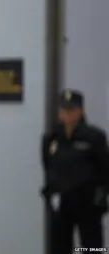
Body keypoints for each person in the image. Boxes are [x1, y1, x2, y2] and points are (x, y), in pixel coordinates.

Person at [41, 89, 109, 254]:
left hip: (87, 200)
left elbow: (105, 169)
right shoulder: (52, 138)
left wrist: (100, 195)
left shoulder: (94, 137)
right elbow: (48, 165)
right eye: (63, 110)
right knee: (59, 247)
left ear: (80, 111)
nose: (66, 114)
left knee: (91, 247)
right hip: (61, 201)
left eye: (70, 110)